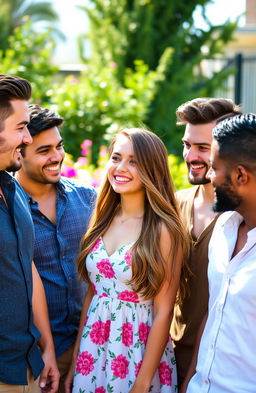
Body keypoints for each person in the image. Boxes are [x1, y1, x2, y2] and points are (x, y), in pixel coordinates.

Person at [64, 128, 190, 393]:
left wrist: (142, 384)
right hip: (93, 351)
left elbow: (164, 311)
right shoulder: (102, 219)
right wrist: (77, 360)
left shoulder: (163, 230)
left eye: (133, 161)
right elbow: (92, 293)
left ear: (151, 169)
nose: (121, 168)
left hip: (136, 352)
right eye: (116, 158)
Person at [15, 104, 97, 393]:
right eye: (44, 151)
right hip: (35, 357)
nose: (57, 157)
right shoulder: (8, 210)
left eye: (59, 147)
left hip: (92, 347)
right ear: (19, 153)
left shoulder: (88, 200)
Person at [170, 98, 242, 388]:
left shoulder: (243, 217)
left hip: (221, 367)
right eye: (188, 145)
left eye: (203, 147)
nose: (190, 156)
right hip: (168, 357)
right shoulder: (174, 204)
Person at [185, 113, 256, 393]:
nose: (209, 176)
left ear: (240, 175)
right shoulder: (224, 228)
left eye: (214, 168)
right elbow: (215, 313)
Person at [0, 75, 59, 391]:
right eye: (20, 127)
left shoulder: (14, 190)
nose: (27, 138)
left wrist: (46, 347)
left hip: (29, 366)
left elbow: (28, 267)